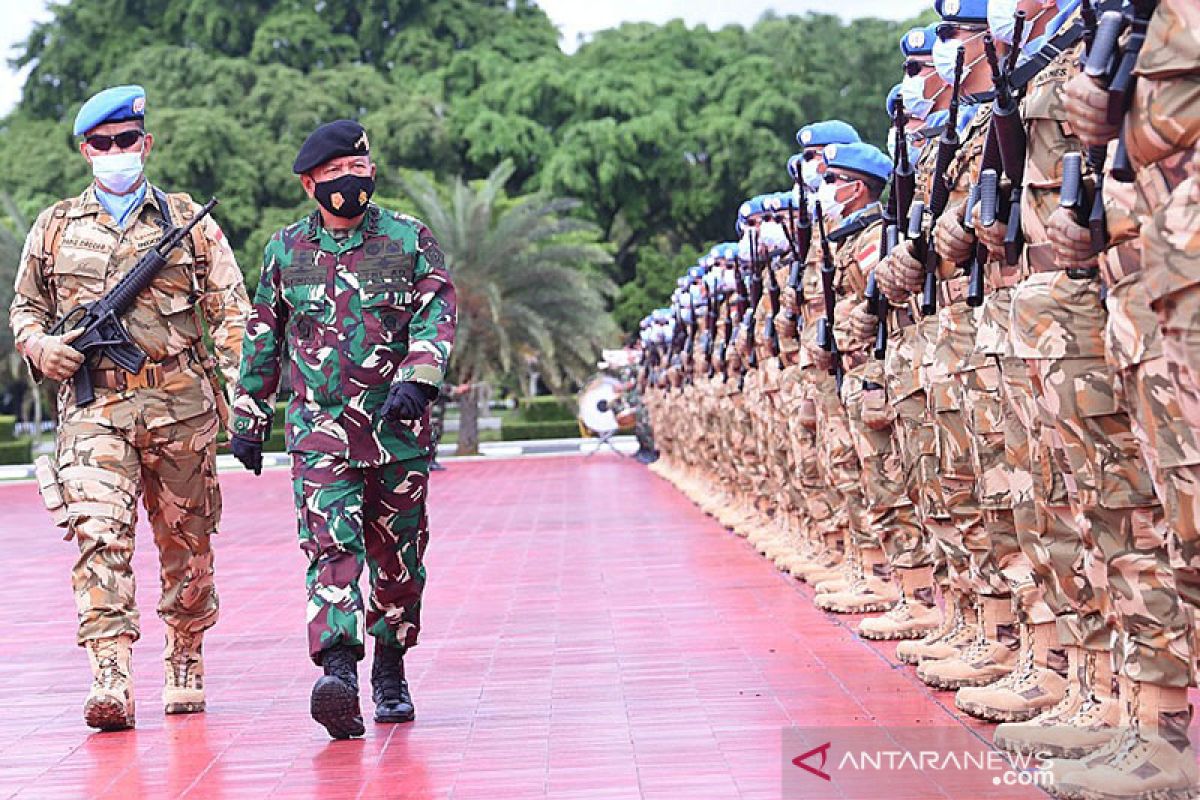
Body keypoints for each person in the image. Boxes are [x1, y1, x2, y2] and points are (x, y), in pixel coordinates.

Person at [9, 84, 249, 731]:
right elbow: (25, 309)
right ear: (86, 150)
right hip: (95, 410)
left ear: (146, 143)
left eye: (126, 141)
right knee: (97, 535)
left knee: (187, 545)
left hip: (180, 407)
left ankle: (185, 654)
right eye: (102, 144)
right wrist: (41, 346)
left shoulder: (185, 220)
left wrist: (243, 399)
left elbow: (231, 314)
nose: (115, 153)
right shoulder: (56, 226)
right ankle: (110, 672)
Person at [229, 119, 457, 739]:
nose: (347, 184)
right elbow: (263, 338)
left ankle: (390, 666)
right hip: (320, 435)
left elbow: (437, 312)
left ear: (372, 173)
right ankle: (339, 674)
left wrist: (420, 377)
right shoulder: (286, 251)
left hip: (397, 430)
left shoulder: (409, 240)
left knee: (399, 562)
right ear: (310, 185)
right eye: (333, 175)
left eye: (357, 171)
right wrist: (249, 417)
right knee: (331, 552)